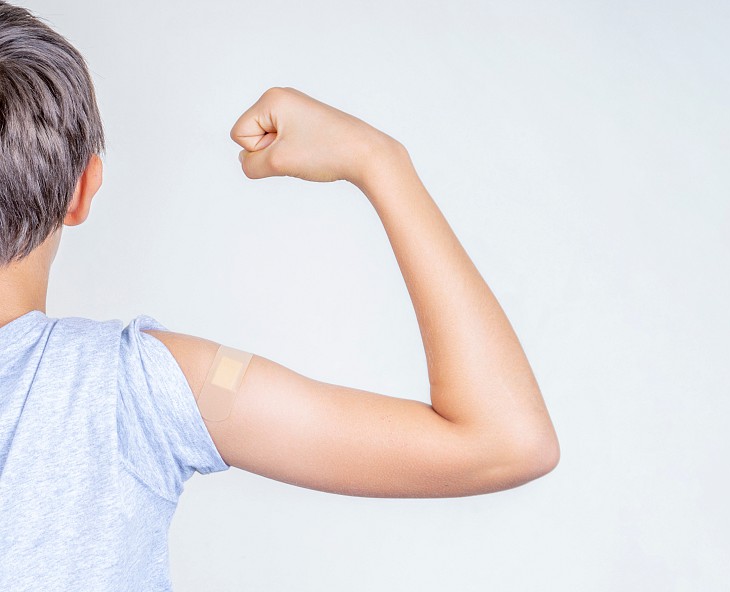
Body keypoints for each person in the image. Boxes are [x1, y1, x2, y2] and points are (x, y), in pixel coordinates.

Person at [0, 1, 559, 589]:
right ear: (84, 188)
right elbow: (506, 441)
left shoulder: (132, 389)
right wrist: (380, 161)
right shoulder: (128, 391)